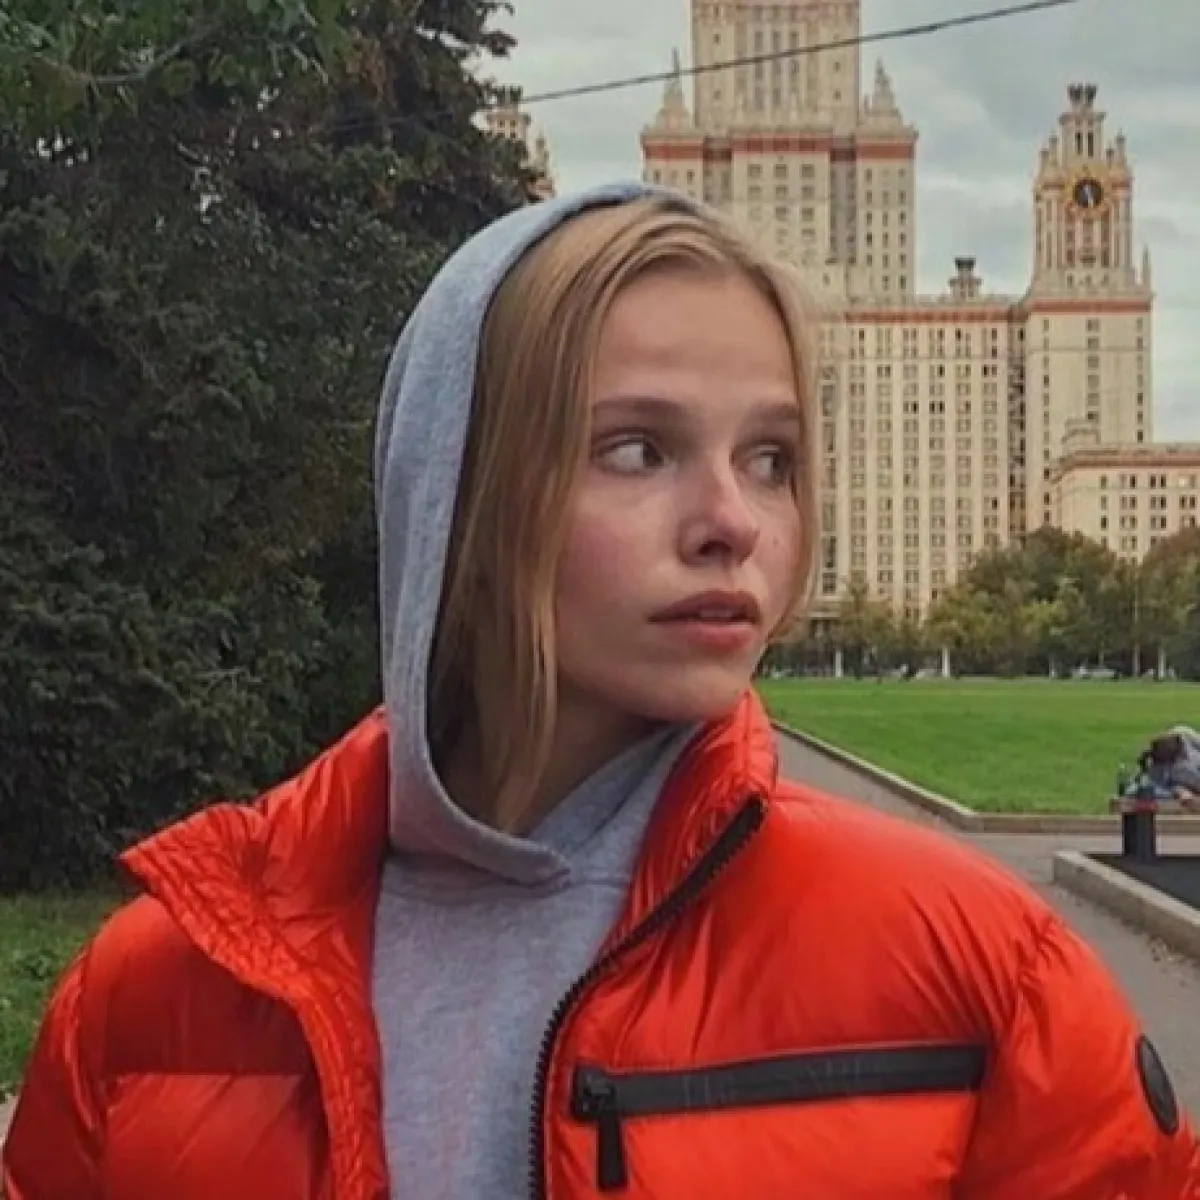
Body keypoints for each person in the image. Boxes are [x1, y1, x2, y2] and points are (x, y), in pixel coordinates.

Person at [4, 183, 1197, 1199]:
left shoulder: (985, 969)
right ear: (457, 493)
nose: (732, 522)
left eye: (771, 458)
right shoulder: (153, 996)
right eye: (638, 449)